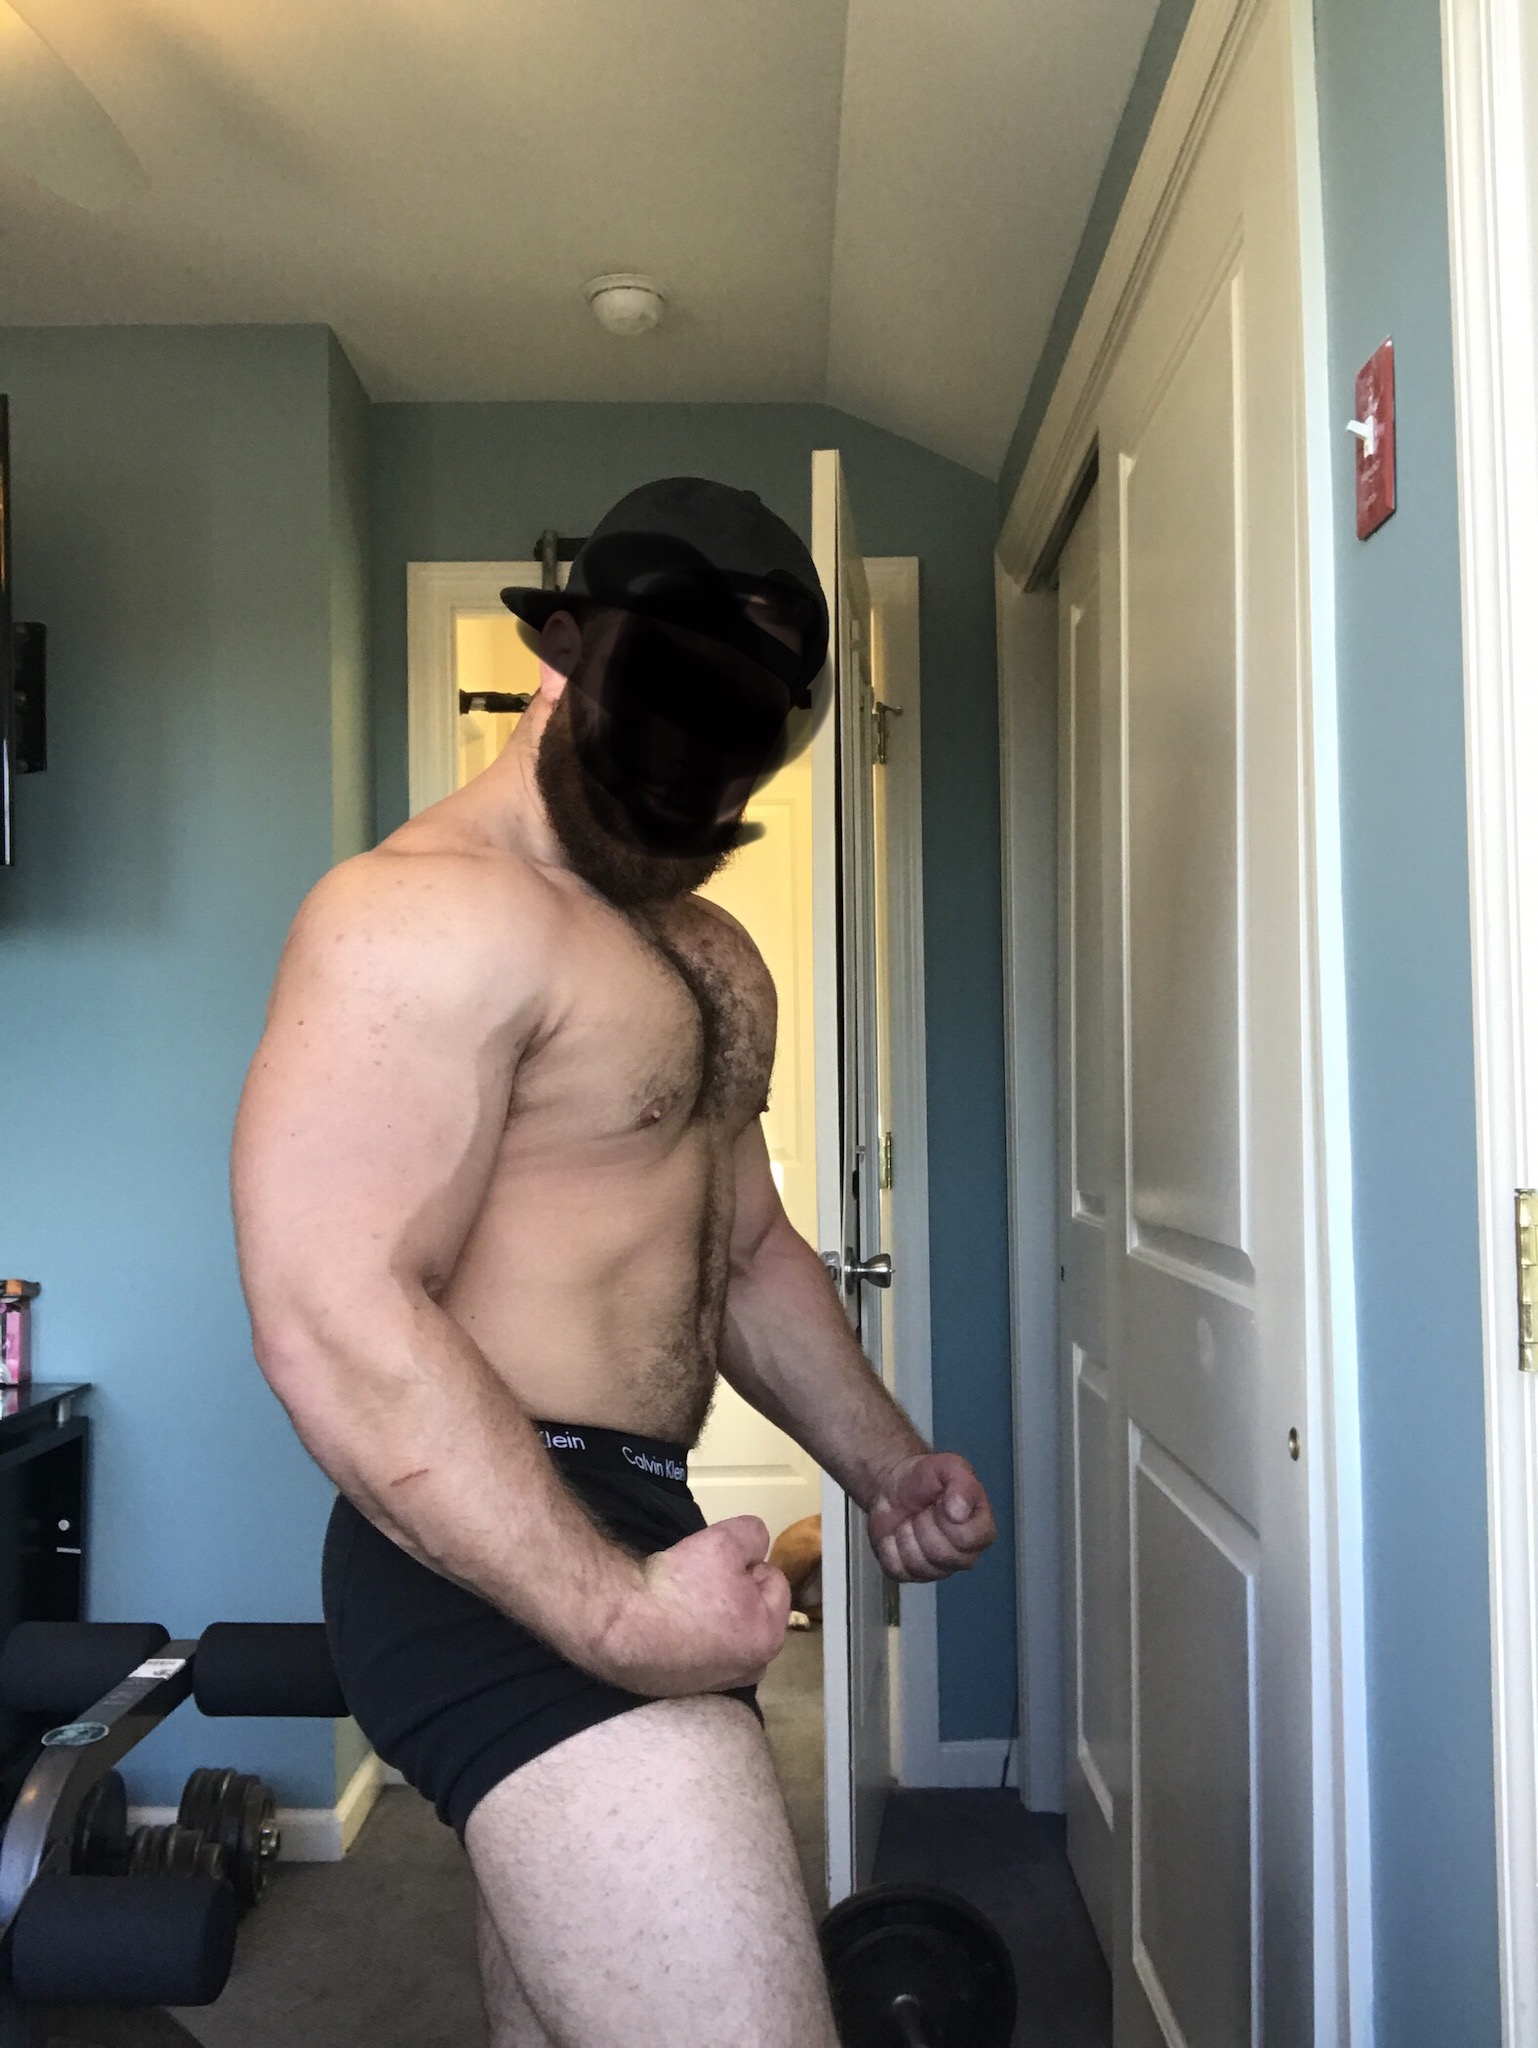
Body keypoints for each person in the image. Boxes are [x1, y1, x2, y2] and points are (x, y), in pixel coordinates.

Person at [231, 476, 997, 2048]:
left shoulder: (708, 954)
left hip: (641, 1507)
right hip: (478, 1542)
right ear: (563, 654)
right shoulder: (415, 918)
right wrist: (612, 1619)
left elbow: (744, 1247)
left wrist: (881, 1463)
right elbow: (332, 1312)